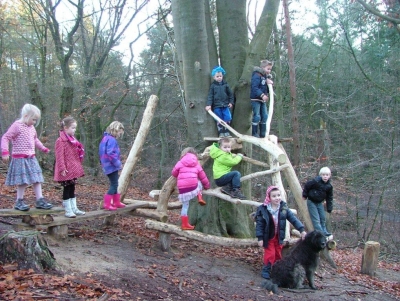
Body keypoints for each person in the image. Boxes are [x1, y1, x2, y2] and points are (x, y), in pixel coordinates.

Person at [1, 104, 53, 211]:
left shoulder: (32, 128)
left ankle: (40, 200)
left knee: (37, 179)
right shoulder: (17, 125)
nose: (34, 122)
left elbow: (35, 140)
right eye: (33, 119)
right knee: (22, 181)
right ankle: (19, 201)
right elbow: (6, 137)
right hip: (20, 158)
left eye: (35, 120)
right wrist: (5, 152)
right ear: (25, 116)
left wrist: (43, 148)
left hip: (31, 158)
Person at [255, 186, 307, 279]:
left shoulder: (283, 208)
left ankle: (276, 270)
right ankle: (266, 269)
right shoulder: (264, 210)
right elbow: (260, 225)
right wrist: (260, 238)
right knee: (270, 254)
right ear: (269, 198)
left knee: (278, 254)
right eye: (274, 196)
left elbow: (293, 219)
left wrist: (301, 230)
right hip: (269, 237)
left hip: (279, 237)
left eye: (278, 195)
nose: (277, 198)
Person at [171, 147, 210, 230]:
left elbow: (174, 173)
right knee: (199, 181)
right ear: (195, 155)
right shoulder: (196, 163)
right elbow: (203, 176)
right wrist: (207, 186)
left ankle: (184, 224)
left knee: (185, 206)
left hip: (182, 188)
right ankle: (199, 196)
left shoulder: (180, 162)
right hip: (193, 186)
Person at [54, 116, 85, 218]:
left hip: (73, 169)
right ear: (65, 128)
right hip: (66, 170)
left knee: (72, 188)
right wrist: (62, 168)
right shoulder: (60, 141)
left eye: (75, 128)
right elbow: (59, 156)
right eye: (72, 127)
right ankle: (68, 210)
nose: (74, 130)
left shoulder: (73, 140)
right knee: (66, 189)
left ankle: (74, 208)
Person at [99, 121, 126, 211]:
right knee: (114, 184)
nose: (120, 134)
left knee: (115, 183)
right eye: (119, 132)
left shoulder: (105, 138)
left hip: (106, 164)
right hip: (111, 165)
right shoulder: (111, 140)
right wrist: (118, 163)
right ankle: (107, 203)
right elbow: (110, 153)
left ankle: (116, 202)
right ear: (115, 130)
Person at [302, 167, 333, 237]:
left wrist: (329, 207)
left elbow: (329, 197)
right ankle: (321, 233)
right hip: (311, 201)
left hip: (319, 203)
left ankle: (324, 231)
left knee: (323, 218)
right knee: (316, 219)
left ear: (329, 176)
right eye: (323, 175)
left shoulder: (329, 186)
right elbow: (307, 185)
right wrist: (305, 195)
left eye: (327, 175)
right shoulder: (316, 181)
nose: (325, 176)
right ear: (320, 175)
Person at [205, 66, 234, 138]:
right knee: (219, 119)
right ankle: (221, 132)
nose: (219, 78)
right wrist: (209, 104)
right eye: (217, 76)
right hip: (217, 106)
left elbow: (230, 94)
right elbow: (210, 96)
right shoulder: (213, 86)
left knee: (227, 117)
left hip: (225, 105)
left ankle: (226, 131)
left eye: (220, 76)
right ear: (214, 77)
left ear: (222, 76)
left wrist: (231, 102)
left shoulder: (225, 85)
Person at [250, 60, 274, 138]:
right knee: (257, 116)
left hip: (262, 100)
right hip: (256, 99)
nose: (269, 71)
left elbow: (264, 86)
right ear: (263, 68)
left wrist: (268, 83)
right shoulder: (256, 75)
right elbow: (255, 87)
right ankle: (254, 133)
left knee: (265, 116)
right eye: (268, 69)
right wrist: (262, 95)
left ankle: (263, 134)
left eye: (270, 69)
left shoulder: (264, 77)